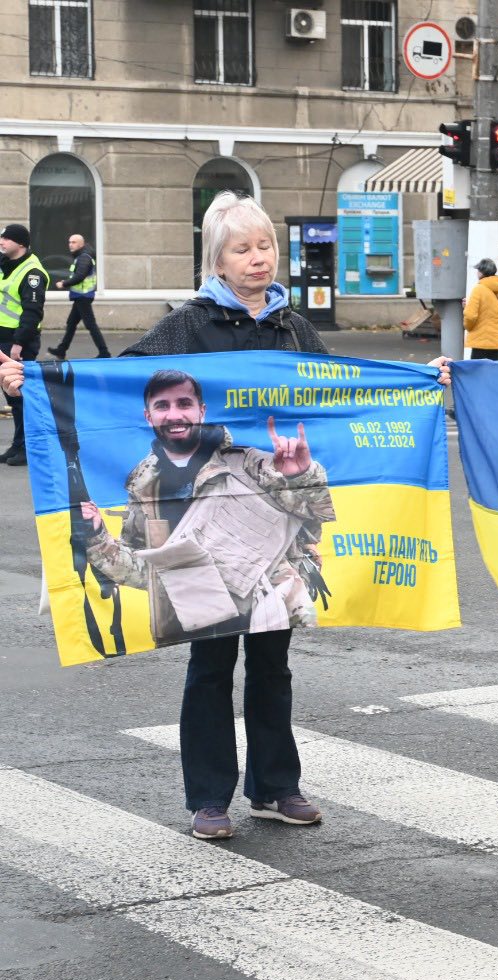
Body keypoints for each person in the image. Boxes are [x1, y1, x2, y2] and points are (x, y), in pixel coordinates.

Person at [4, 193, 346, 842]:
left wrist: (420, 383)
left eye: (265, 246)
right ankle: (210, 798)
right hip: (201, 547)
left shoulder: (294, 328)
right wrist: (40, 380)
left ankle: (276, 787)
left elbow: (347, 392)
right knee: (212, 669)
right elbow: (117, 381)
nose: (257, 260)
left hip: (275, 549)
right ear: (216, 259)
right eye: (242, 249)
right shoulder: (190, 326)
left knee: (272, 666)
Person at [81, 369, 334, 646]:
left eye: (184, 404)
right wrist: (96, 536)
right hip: (200, 614)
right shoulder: (144, 486)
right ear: (148, 415)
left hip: (271, 606)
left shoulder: (248, 463)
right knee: (206, 681)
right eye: (162, 405)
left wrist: (302, 475)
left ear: (201, 411)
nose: (174, 414)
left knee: (270, 678)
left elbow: (313, 520)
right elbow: (147, 571)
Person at [0, 223, 50, 466]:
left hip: (18, 342)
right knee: (12, 397)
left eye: (7, 239)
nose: (1, 242)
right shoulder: (6, 266)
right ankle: (17, 445)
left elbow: (32, 312)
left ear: (20, 243)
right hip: (4, 339)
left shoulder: (32, 273)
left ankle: (29, 448)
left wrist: (19, 344)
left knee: (21, 396)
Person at [48, 233, 111, 359]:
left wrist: (64, 283)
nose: (70, 245)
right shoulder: (81, 256)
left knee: (90, 324)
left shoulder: (84, 257)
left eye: (74, 242)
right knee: (71, 323)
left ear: (81, 244)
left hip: (83, 296)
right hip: (80, 296)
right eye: (69, 242)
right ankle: (62, 350)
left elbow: (80, 276)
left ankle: (104, 352)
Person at [464, 259, 498, 361]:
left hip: (480, 342)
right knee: (495, 374)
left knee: (477, 374)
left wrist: (468, 327)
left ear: (482, 272)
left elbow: (470, 316)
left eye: (478, 270)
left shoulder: (478, 289)